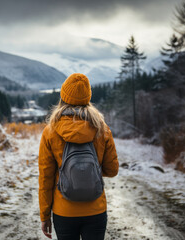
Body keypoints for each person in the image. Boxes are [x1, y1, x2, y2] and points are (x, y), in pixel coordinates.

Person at [38, 73, 119, 240]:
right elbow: (112, 170)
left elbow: (46, 177)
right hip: (95, 209)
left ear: (63, 97)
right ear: (87, 97)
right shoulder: (101, 128)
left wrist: (45, 216)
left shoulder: (50, 131)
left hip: (64, 211)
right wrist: (89, 173)